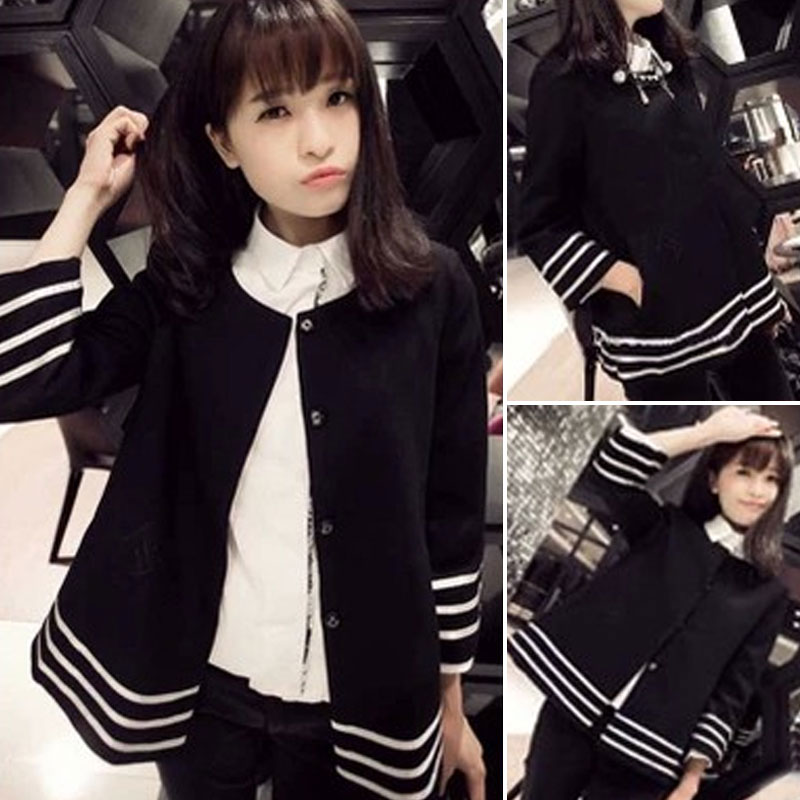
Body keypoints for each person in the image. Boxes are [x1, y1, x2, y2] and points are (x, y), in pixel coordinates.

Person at [0, 1, 488, 798]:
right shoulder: (186, 284)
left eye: (338, 97)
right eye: (275, 111)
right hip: (205, 690)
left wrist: (451, 705)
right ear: (223, 141)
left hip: (356, 694)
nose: (319, 140)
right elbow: (20, 375)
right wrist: (85, 199)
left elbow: (451, 516)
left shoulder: (433, 290)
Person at [509, 406, 792, 800]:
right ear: (714, 480)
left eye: (771, 479)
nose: (757, 490)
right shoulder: (666, 529)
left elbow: (732, 692)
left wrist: (692, 777)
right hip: (573, 712)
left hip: (649, 752)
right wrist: (707, 433)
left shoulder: (767, 593)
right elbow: (612, 470)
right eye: (744, 472)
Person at [517, 0, 792, 400]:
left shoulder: (668, 56)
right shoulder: (562, 82)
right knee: (686, 435)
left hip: (735, 301)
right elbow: (540, 222)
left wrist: (761, 293)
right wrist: (625, 280)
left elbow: (711, 179)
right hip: (658, 334)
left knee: (774, 419)